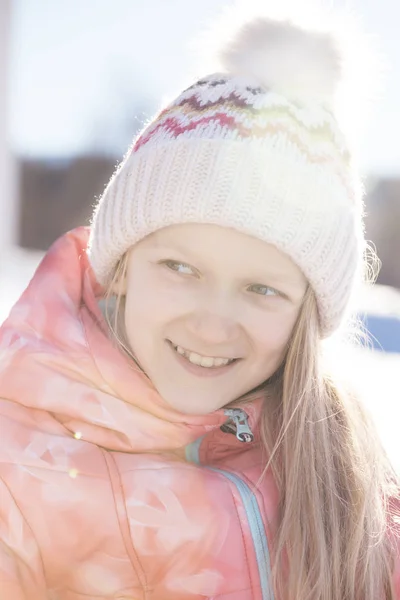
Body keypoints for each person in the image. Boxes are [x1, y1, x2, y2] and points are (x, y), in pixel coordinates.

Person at [0, 7, 399, 600]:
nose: (214, 325)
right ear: (123, 268)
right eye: (180, 267)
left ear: (306, 314)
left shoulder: (348, 486)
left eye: (263, 289)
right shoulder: (18, 467)